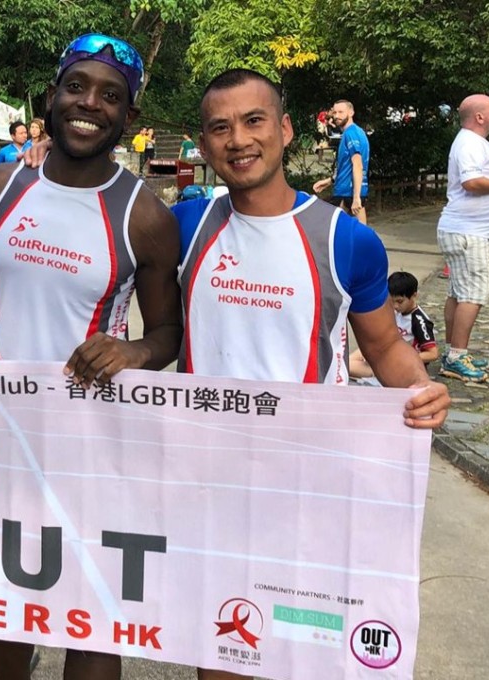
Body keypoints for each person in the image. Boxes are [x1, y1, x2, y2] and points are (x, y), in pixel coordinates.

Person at [173, 71, 449, 680]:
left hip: (311, 477)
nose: (238, 139)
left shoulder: (345, 239)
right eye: (220, 127)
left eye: (254, 121)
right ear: (204, 141)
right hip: (208, 475)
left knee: (306, 646)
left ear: (286, 130)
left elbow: (383, 349)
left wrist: (422, 390)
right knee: (225, 646)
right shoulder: (185, 228)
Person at [0, 32, 181, 680]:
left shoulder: (145, 217)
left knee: (88, 615)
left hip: (92, 443)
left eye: (111, 95)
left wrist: (134, 348)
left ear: (129, 116)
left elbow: (169, 331)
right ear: (52, 97)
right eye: (77, 87)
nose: (90, 103)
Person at [436, 95, 489, 382]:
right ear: (480, 117)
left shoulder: (475, 143)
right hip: (467, 233)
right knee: (472, 295)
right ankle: (457, 357)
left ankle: (453, 352)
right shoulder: (467, 144)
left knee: (458, 294)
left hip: (466, 231)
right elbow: (471, 183)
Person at [350, 271, 439, 381]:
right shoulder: (395, 311)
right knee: (347, 359)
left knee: (344, 367)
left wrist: (403, 358)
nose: (396, 306)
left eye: (400, 301)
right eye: (392, 301)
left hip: (398, 364)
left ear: (414, 296)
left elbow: (433, 354)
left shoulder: (419, 321)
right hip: (384, 352)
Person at [312, 99, 370, 223]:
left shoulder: (351, 134)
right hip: (351, 191)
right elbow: (347, 166)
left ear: (351, 113)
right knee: (361, 234)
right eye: (335, 112)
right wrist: (330, 180)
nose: (337, 116)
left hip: (347, 193)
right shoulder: (358, 132)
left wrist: (356, 197)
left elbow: (358, 165)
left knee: (335, 233)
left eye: (341, 112)